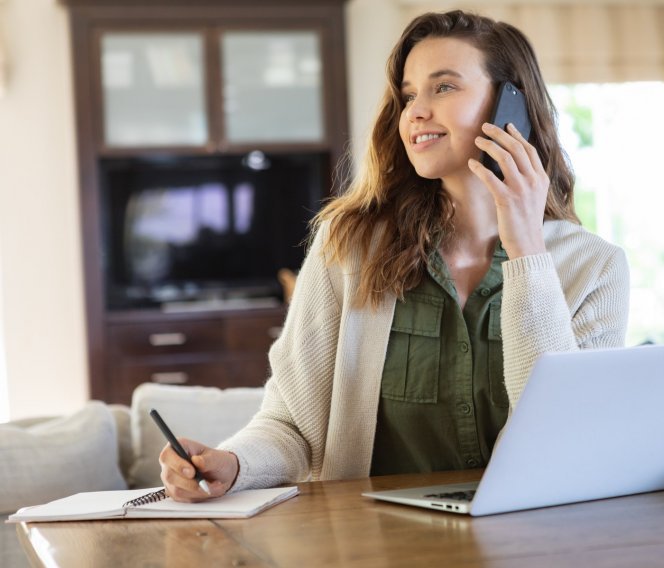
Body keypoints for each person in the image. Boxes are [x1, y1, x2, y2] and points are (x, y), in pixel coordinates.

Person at [158, 9, 629, 501]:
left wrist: (527, 248)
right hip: (372, 542)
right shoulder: (349, 245)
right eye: (408, 95)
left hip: (526, 536)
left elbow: (561, 438)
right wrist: (233, 465)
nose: (416, 112)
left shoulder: (595, 269)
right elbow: (292, 424)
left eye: (443, 87)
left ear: (512, 108)